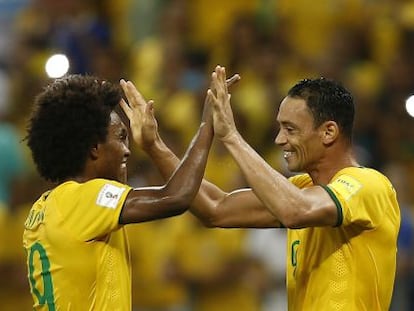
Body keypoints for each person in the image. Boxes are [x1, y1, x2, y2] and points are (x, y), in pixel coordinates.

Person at [133, 65, 400, 310]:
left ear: (328, 132)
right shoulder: (301, 189)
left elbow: (295, 211)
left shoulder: (368, 185)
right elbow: (215, 208)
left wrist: (231, 137)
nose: (279, 139)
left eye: (290, 129)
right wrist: (155, 147)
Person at [22, 72, 220, 310]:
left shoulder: (43, 208)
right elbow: (176, 197)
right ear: (95, 147)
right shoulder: (83, 197)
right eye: (121, 137)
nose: (127, 150)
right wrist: (207, 122)